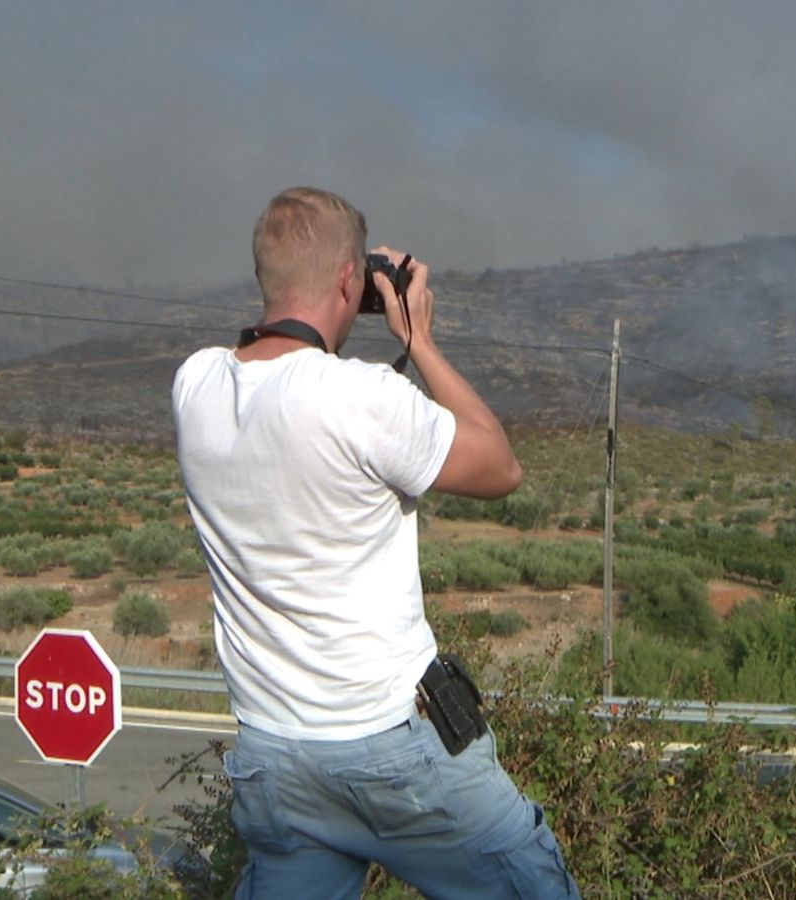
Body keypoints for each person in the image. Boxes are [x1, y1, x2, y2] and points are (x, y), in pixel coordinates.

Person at [172, 186, 579, 899]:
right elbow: (499, 466)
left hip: (273, 755)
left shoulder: (196, 384)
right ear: (346, 281)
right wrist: (417, 339)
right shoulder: (359, 397)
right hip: (389, 745)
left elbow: (273, 357)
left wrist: (345, 284)